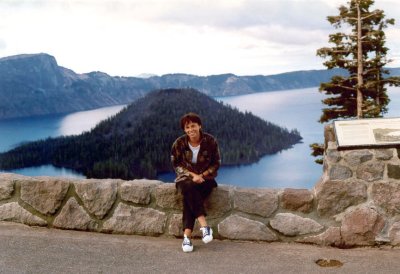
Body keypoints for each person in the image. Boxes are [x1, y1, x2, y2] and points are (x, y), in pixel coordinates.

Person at [171, 112, 221, 253]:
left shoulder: (210, 141)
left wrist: (202, 175)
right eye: (187, 127)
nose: (190, 130)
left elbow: (216, 163)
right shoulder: (179, 143)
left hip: (206, 179)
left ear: (200, 126)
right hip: (186, 179)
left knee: (190, 198)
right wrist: (193, 175)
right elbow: (176, 165)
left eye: (193, 126)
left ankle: (187, 237)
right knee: (189, 186)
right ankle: (204, 226)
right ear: (184, 129)